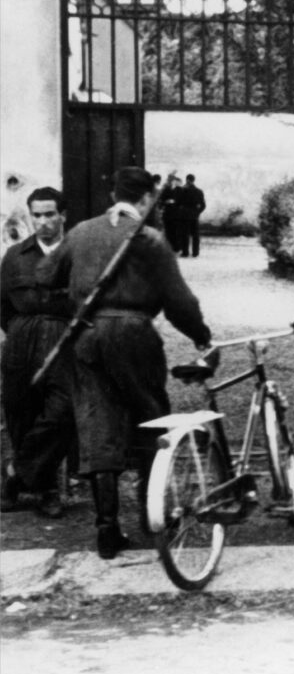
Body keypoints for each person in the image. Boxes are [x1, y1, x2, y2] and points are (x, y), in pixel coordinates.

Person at [37, 166, 212, 559]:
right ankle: (154, 522)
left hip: (87, 338)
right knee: (151, 418)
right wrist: (201, 335)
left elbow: (45, 274)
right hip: (135, 337)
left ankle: (106, 530)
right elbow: (179, 301)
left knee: (98, 423)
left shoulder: (81, 232)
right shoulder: (149, 239)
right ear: (148, 199)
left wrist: (78, 301)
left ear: (112, 195)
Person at [0, 186, 75, 517]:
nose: (43, 221)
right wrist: (18, 333)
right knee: (20, 412)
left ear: (63, 216)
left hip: (64, 339)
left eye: (49, 214)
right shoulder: (15, 256)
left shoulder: (78, 252)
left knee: (63, 412)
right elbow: (2, 305)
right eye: (37, 215)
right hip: (22, 339)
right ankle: (45, 490)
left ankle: (15, 474)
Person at [179, 173, 206, 257]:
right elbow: (203, 205)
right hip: (195, 215)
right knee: (195, 235)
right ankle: (195, 252)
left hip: (185, 215)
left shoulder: (183, 190)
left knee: (185, 235)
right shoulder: (199, 191)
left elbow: (178, 203)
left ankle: (185, 252)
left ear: (187, 180)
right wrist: (198, 212)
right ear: (194, 180)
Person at [161, 172, 184, 252]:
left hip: (176, 214)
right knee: (168, 231)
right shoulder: (166, 189)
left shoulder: (180, 190)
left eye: (172, 179)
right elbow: (160, 200)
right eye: (169, 179)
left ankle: (177, 247)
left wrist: (175, 202)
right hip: (167, 214)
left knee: (176, 231)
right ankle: (169, 247)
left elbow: (183, 201)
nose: (170, 181)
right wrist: (166, 202)